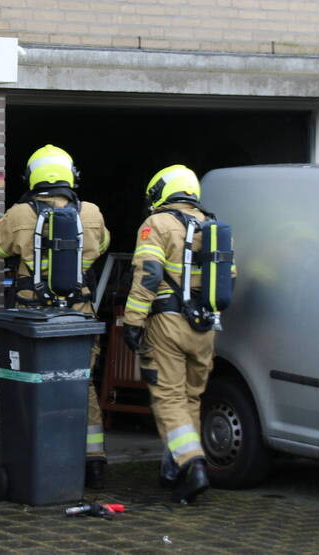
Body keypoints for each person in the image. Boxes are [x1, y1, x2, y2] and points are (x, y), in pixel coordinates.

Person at [0, 144, 111, 488]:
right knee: (80, 384)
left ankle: (41, 457)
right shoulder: (93, 213)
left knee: (36, 388)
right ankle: (93, 460)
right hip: (80, 317)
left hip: (33, 317)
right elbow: (101, 246)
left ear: (31, 177)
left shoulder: (20, 214)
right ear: (72, 175)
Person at [121, 165, 217, 504]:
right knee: (191, 398)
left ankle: (192, 465)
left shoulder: (157, 224)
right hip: (204, 328)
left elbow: (147, 274)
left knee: (169, 398)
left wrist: (132, 321)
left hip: (167, 325)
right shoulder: (214, 226)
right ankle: (176, 468)